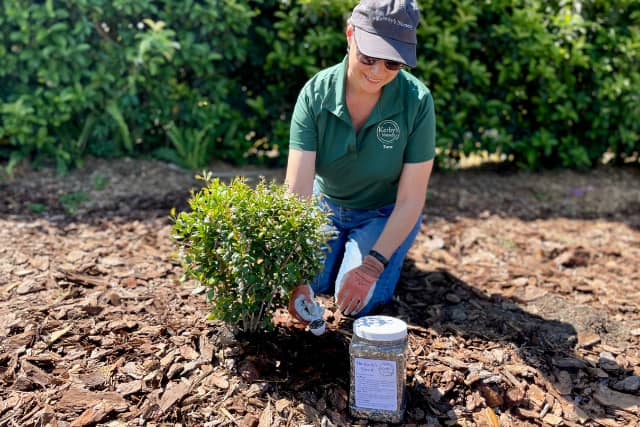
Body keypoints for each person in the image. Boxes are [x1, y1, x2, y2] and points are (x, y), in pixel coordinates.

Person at [285, 0, 435, 327]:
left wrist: (371, 268)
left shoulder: (418, 101)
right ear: (350, 34)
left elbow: (411, 200)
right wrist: (293, 270)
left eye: (393, 63)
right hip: (326, 206)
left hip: (384, 212)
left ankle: (381, 249)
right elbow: (297, 190)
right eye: (368, 57)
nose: (377, 72)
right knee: (311, 285)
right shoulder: (315, 94)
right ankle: (343, 250)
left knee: (353, 301)